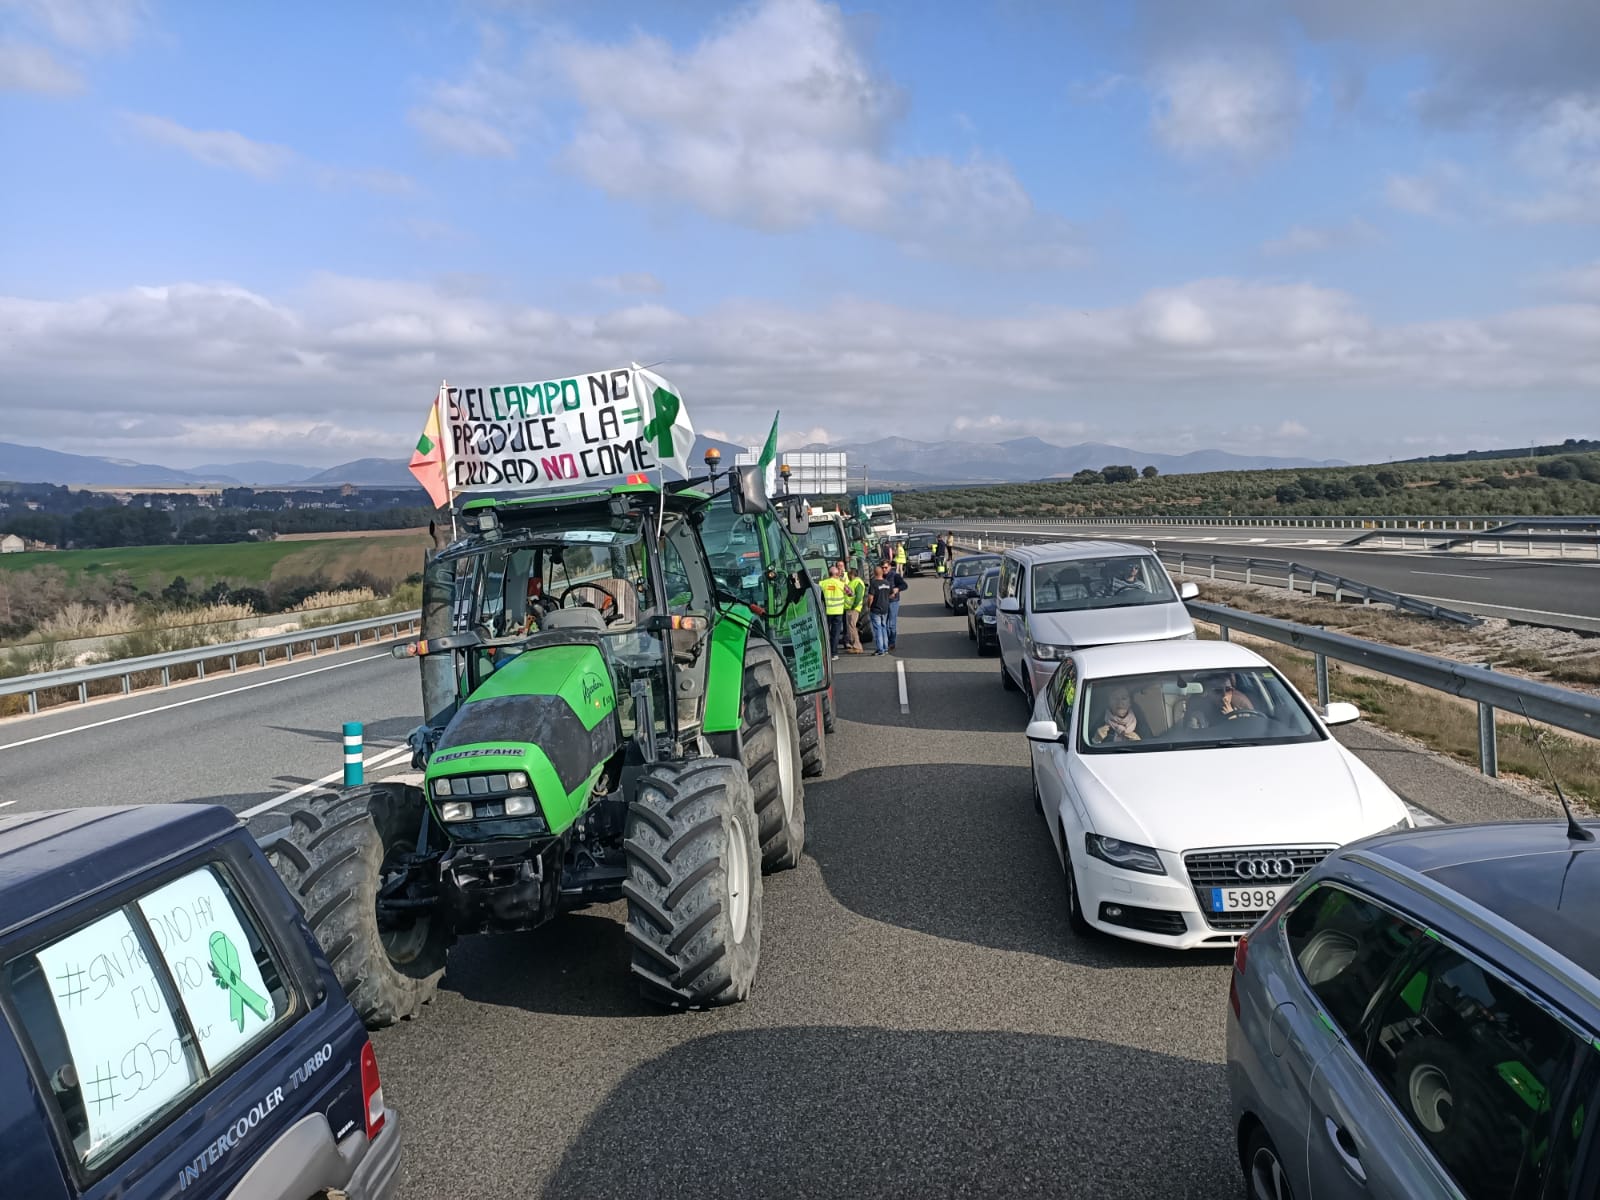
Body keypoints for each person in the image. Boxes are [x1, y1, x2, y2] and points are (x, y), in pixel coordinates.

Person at [820, 562, 849, 661]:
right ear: (837, 574)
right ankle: (834, 653)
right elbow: (850, 593)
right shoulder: (841, 584)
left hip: (826, 612)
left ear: (829, 574)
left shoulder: (823, 583)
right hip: (838, 612)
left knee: (825, 632)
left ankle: (825, 653)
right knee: (835, 633)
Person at [867, 566, 894, 655]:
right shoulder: (887, 583)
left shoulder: (874, 583)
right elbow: (892, 594)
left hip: (876, 609)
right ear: (882, 573)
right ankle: (885, 648)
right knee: (884, 627)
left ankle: (880, 649)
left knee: (878, 629)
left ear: (874, 573)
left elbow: (870, 597)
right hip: (885, 608)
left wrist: (869, 606)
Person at [884, 560, 906, 651]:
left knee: (891, 624)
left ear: (889, 567)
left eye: (886, 567)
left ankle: (891, 642)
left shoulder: (895, 576)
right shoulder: (879, 576)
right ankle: (886, 641)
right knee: (884, 624)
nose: (884, 569)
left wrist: (897, 588)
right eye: (882, 568)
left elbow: (904, 585)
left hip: (893, 602)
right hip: (883, 602)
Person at [844, 565, 866, 653]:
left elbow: (859, 596)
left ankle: (857, 646)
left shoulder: (858, 582)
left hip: (853, 609)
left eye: (848, 575)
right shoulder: (853, 582)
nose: (848, 577)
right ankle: (854, 645)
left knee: (852, 627)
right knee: (851, 627)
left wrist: (853, 606)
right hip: (850, 608)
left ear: (851, 574)